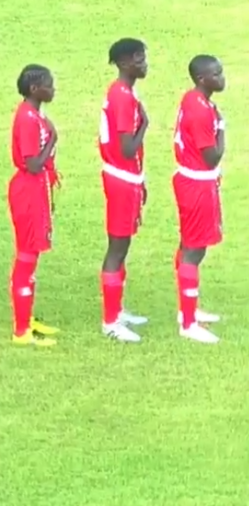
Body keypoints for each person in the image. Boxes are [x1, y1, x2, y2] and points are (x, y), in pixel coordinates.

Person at [172, 55, 227, 344]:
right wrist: (222, 132)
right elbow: (211, 156)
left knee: (191, 245)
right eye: (216, 74)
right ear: (202, 79)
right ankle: (188, 322)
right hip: (197, 184)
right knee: (194, 249)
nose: (222, 77)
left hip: (192, 181)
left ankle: (187, 311)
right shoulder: (202, 112)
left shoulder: (194, 99)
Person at [99, 38, 150, 343]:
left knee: (123, 246)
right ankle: (110, 321)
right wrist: (145, 124)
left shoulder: (125, 92)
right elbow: (127, 148)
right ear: (122, 63)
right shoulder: (122, 97)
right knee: (117, 249)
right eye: (138, 58)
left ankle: (117, 310)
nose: (144, 63)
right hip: (120, 179)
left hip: (127, 179)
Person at [7, 65, 61, 347]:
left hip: (37, 190)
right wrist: (52, 138)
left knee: (32, 256)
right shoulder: (28, 118)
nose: (53, 89)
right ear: (33, 89)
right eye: (48, 85)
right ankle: (21, 330)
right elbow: (32, 164)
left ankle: (27, 319)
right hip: (28, 191)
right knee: (26, 256)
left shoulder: (34, 114)